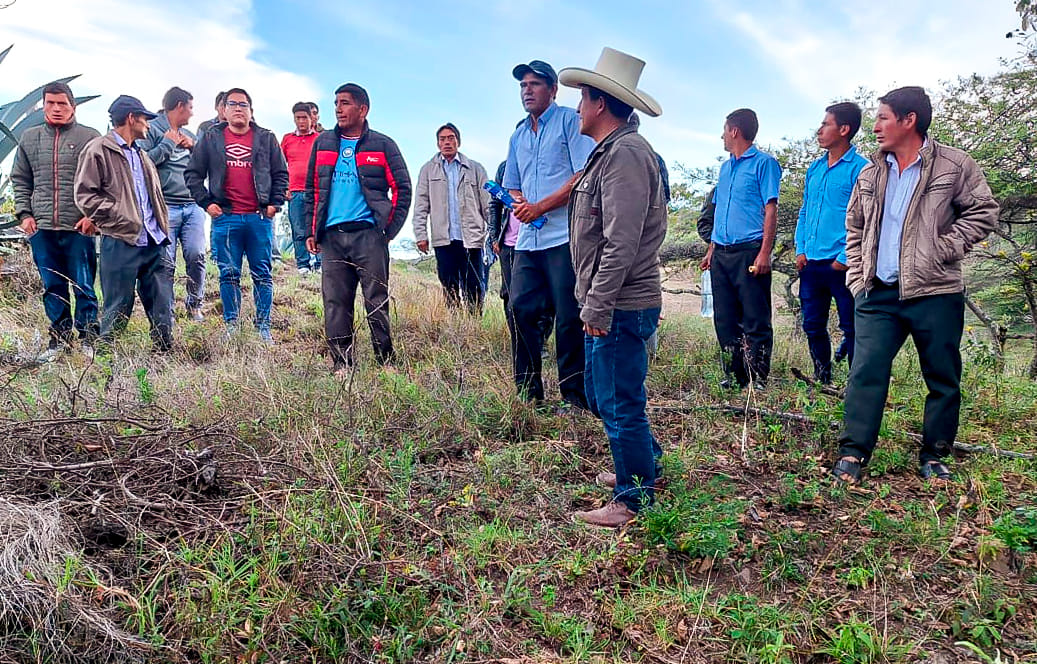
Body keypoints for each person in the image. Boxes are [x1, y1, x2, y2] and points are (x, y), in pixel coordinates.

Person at [831, 86, 999, 485]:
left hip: (935, 290)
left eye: (883, 118)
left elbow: (984, 211)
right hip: (878, 292)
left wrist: (946, 246)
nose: (874, 127)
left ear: (909, 120)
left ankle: (935, 454)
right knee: (865, 371)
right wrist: (857, 276)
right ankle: (853, 452)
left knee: (941, 374)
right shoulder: (870, 172)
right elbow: (855, 225)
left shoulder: (954, 166)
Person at [560, 48, 667, 528]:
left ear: (600, 103)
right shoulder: (613, 151)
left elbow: (620, 243)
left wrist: (597, 307)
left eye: (583, 99)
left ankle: (632, 499)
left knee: (619, 400)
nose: (578, 108)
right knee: (609, 393)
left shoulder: (624, 155)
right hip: (609, 299)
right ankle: (645, 466)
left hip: (620, 302)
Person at [503, 59, 595, 409]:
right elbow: (513, 185)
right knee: (520, 308)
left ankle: (574, 397)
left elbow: (582, 175)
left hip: (563, 236)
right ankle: (528, 393)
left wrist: (541, 207)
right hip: (528, 240)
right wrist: (522, 205)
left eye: (534, 84)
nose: (527, 90)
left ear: (553, 90)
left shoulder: (570, 122)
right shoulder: (518, 134)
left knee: (569, 314)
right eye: (523, 85)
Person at [303, 83, 412, 373]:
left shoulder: (382, 145)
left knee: (376, 300)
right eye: (336, 102)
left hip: (368, 235)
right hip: (332, 238)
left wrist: (387, 230)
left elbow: (402, 188)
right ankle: (342, 364)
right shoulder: (323, 143)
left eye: (346, 103)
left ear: (363, 109)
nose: (338, 108)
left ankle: (385, 362)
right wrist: (311, 231)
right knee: (335, 302)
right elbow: (313, 189)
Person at [185, 87, 288, 345]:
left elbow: (280, 173)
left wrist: (274, 204)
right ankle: (232, 325)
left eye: (243, 104)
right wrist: (206, 203)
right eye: (233, 104)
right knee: (228, 273)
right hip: (226, 218)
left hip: (259, 219)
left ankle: (263, 327)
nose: (238, 108)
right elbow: (193, 174)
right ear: (224, 110)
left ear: (251, 111)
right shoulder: (211, 138)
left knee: (262, 274)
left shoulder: (266, 138)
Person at [74, 95, 173, 352]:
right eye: (145, 119)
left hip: (153, 242)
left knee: (162, 306)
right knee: (117, 307)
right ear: (131, 118)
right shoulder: (98, 149)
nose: (149, 125)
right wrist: (118, 216)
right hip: (120, 242)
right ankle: (107, 363)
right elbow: (85, 195)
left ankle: (163, 357)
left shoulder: (142, 155)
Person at [11, 81, 101, 360]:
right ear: (42, 105)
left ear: (73, 106)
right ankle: (59, 339)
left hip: (79, 228)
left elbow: (104, 180)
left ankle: (88, 338)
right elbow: (20, 179)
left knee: (84, 285)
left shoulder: (90, 137)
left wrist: (92, 216)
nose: (56, 108)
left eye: (62, 103)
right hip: (42, 227)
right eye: (50, 103)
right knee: (52, 285)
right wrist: (25, 215)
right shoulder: (29, 137)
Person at [700, 108, 781, 388]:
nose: (722, 135)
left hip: (750, 250)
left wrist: (764, 253)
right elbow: (720, 211)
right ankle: (734, 376)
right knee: (725, 317)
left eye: (724, 129)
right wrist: (711, 249)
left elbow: (770, 210)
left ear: (734, 130)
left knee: (755, 317)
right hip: (721, 252)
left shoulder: (764, 164)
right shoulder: (725, 168)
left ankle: (757, 376)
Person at [794, 102, 869, 384]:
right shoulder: (814, 169)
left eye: (826, 124)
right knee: (812, 325)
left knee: (852, 327)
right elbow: (805, 211)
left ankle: (857, 384)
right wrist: (801, 248)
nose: (820, 130)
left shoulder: (861, 169)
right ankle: (822, 377)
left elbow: (865, 217)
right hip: (811, 263)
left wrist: (844, 257)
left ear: (844, 129)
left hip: (842, 265)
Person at [138, 86, 206, 322]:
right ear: (179, 106)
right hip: (164, 206)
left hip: (193, 205)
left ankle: (194, 304)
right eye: (190, 107)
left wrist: (193, 147)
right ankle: (166, 311)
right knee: (165, 262)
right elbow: (142, 164)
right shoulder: (151, 129)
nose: (192, 113)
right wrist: (167, 145)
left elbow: (205, 166)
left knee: (196, 255)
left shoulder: (191, 136)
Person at [412, 122, 490, 313]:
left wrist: (495, 235)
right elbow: (421, 205)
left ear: (458, 141)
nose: (447, 142)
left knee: (474, 285)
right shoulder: (428, 170)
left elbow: (487, 204)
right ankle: (455, 325)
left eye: (451, 138)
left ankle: (474, 324)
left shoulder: (475, 168)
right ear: (438, 144)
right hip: (443, 238)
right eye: (442, 139)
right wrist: (421, 234)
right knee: (449, 285)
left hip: (471, 238)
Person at [281, 102, 322, 274]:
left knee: (319, 227)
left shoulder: (320, 139)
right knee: (298, 228)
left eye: (304, 117)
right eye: (297, 118)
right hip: (295, 191)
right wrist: (284, 187)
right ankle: (303, 264)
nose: (301, 121)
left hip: (316, 191)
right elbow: (279, 165)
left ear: (311, 118)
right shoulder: (287, 139)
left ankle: (320, 263)